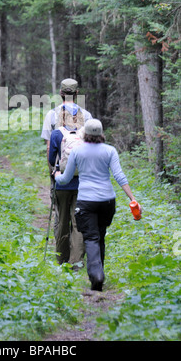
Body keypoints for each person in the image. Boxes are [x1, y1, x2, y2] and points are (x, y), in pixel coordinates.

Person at [54, 118, 140, 291]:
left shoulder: (77, 151)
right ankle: (98, 272)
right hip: (107, 201)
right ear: (101, 133)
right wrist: (132, 198)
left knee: (91, 237)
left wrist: (57, 175)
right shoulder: (110, 151)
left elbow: (66, 178)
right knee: (100, 235)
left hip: (86, 201)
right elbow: (119, 176)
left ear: (84, 133)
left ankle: (97, 276)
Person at [41, 78, 92, 238]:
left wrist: (53, 170)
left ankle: (62, 258)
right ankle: (76, 260)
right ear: (77, 93)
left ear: (61, 93)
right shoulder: (87, 115)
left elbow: (49, 146)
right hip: (82, 173)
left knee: (60, 216)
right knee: (79, 216)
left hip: (59, 171)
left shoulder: (52, 115)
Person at [49, 103, 85, 267]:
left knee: (62, 221)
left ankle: (61, 260)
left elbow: (51, 159)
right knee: (78, 223)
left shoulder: (57, 134)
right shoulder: (84, 134)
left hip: (62, 184)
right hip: (81, 184)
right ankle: (76, 261)